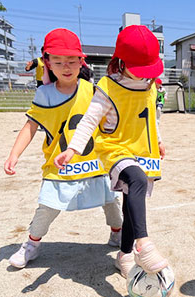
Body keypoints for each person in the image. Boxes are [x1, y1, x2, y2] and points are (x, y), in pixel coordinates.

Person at [54, 25, 168, 277]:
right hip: (114, 149)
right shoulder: (107, 87)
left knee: (131, 206)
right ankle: (144, 246)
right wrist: (72, 149)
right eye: (140, 70)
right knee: (136, 179)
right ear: (121, 62)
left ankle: (124, 255)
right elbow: (89, 121)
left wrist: (158, 140)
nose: (144, 76)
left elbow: (151, 117)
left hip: (142, 150)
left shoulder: (150, 86)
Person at [4, 28, 123, 269]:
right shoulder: (44, 93)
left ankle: (117, 233)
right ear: (46, 62)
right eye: (58, 62)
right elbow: (31, 125)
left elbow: (113, 124)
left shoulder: (94, 91)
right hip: (59, 164)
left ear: (82, 62)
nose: (65, 67)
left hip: (94, 162)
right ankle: (32, 244)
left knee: (111, 201)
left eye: (71, 61)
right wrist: (13, 155)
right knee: (47, 206)